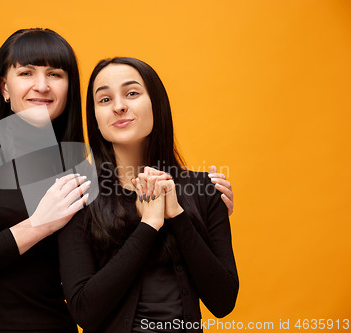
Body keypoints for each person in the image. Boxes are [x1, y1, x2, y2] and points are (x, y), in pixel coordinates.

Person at [0, 28, 235, 332]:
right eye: (26, 73)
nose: (42, 85)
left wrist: (199, 206)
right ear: (4, 87)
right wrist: (39, 225)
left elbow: (117, 245)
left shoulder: (79, 173)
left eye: (55, 74)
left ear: (69, 90)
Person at [58, 57, 239, 333]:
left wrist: (176, 214)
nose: (119, 106)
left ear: (157, 104)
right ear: (94, 119)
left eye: (132, 93)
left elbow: (223, 301)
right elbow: (84, 310)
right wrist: (149, 225)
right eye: (104, 100)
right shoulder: (79, 196)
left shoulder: (204, 188)